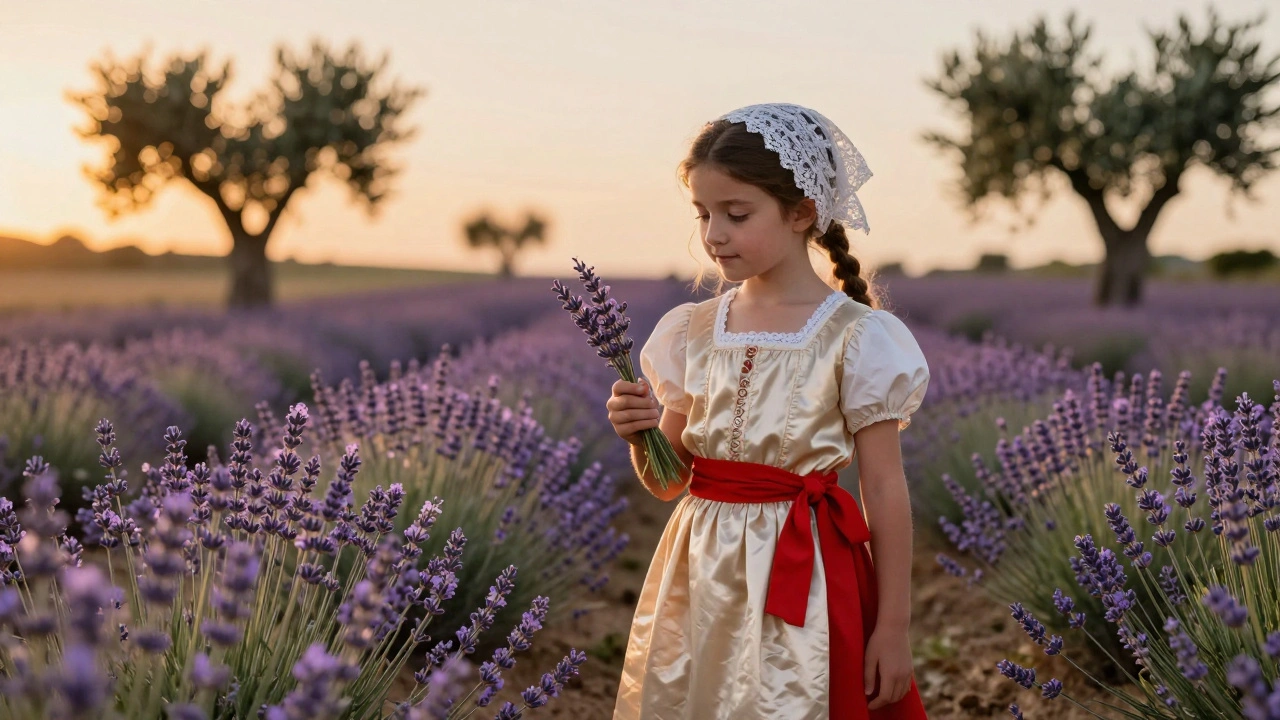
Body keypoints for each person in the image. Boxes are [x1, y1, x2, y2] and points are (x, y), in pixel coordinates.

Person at [606, 103, 931, 720]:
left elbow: (885, 489)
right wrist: (640, 435)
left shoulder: (858, 336)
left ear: (802, 212)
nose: (713, 235)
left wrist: (893, 627)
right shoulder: (691, 330)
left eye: (736, 214)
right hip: (699, 578)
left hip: (809, 577)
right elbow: (670, 481)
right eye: (703, 214)